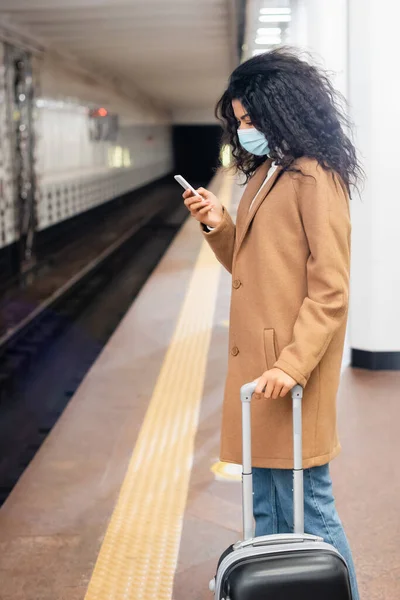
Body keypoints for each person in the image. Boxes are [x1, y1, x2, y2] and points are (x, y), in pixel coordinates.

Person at [182, 49, 362, 599]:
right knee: (262, 507)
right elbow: (251, 265)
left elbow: (330, 289)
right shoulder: (266, 173)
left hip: (289, 371)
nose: (246, 130)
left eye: (251, 119)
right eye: (239, 122)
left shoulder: (314, 177)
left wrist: (292, 363)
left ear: (284, 109)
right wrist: (218, 224)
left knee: (310, 507)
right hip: (264, 372)